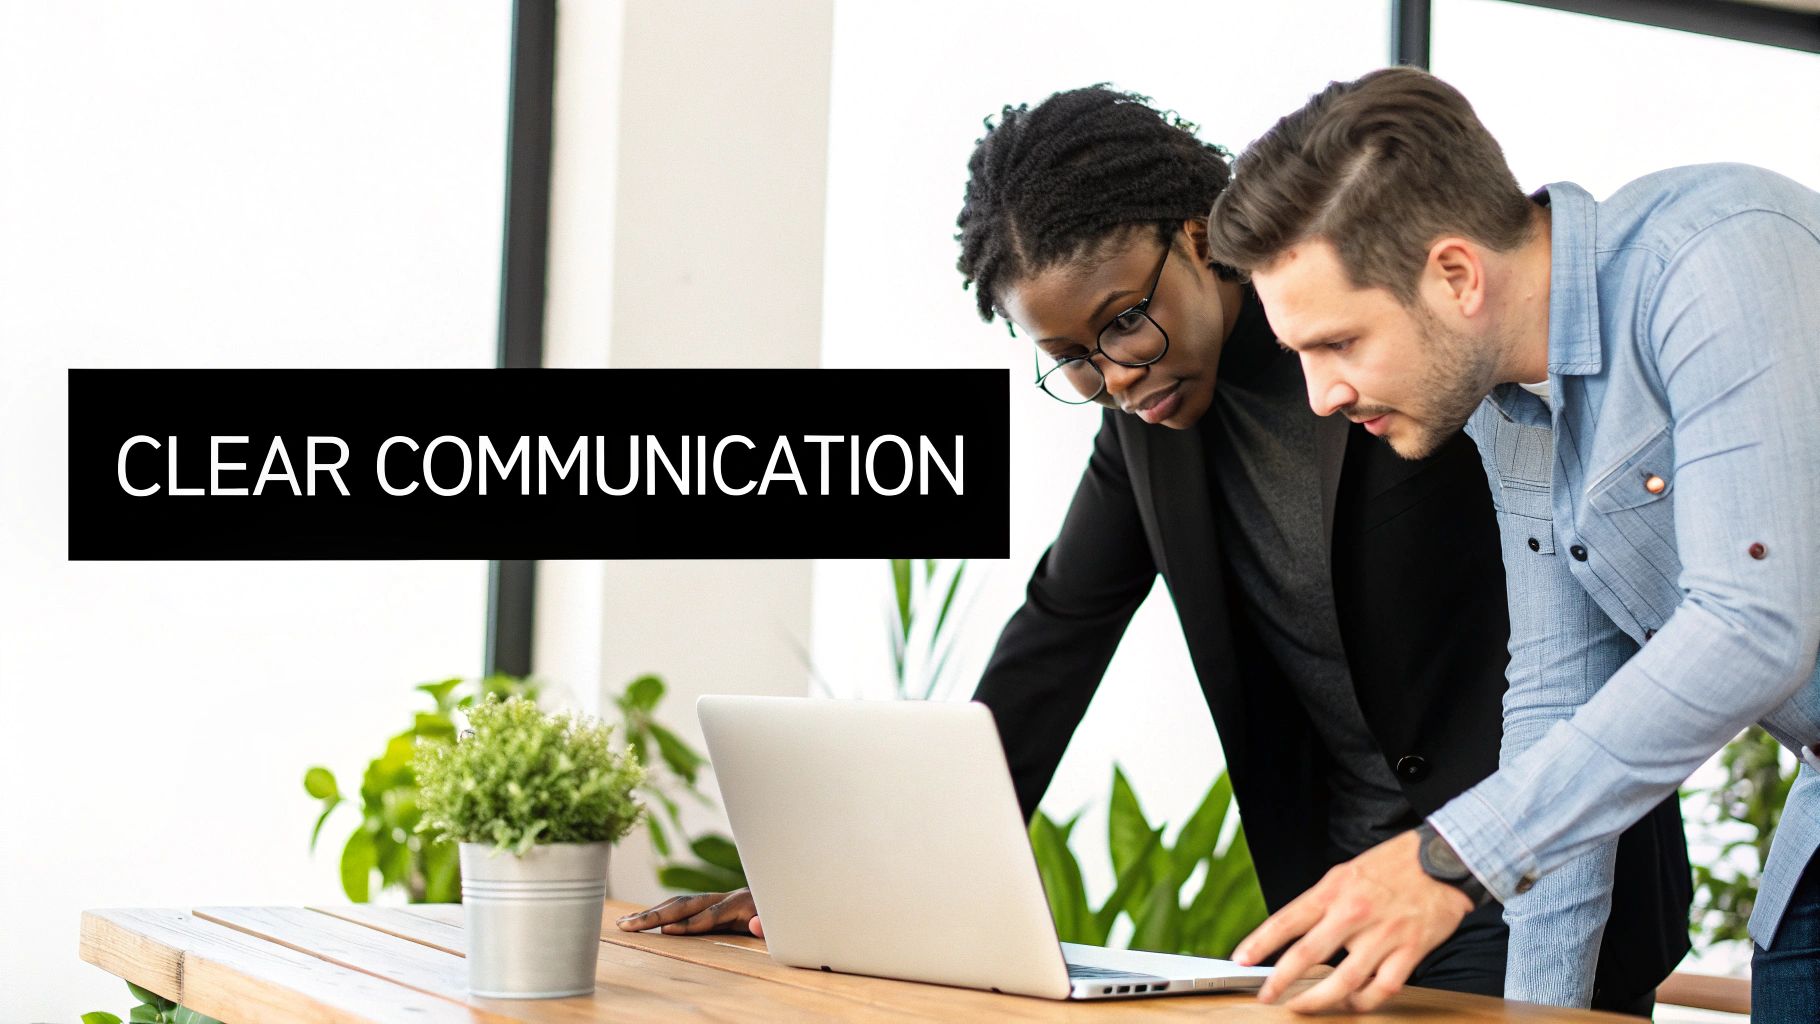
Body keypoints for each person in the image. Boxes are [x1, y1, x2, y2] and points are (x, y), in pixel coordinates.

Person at [615, 86, 1689, 1011]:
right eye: (1071, 358)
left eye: (1123, 321)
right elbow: (1053, 640)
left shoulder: (1385, 344)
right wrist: (838, 882)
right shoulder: (1140, 439)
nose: (1116, 374)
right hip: (1338, 894)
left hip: (1525, 868)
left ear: (1195, 234)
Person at [1204, 66, 1820, 1019]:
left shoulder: (1719, 256)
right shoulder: (1511, 408)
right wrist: (1540, 1014)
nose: (1321, 395)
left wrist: (1450, 859)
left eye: (1338, 344)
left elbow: (1753, 623)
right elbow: (1552, 700)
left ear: (1455, 275)